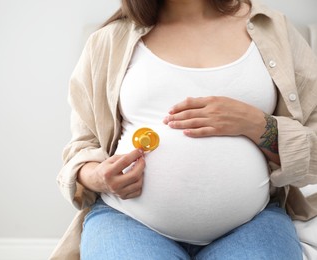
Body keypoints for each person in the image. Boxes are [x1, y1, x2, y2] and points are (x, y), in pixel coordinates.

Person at [55, 0, 317, 259]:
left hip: (254, 224)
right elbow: (82, 145)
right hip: (128, 221)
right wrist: (98, 176)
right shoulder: (109, 41)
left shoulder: (273, 29)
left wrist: (260, 126)